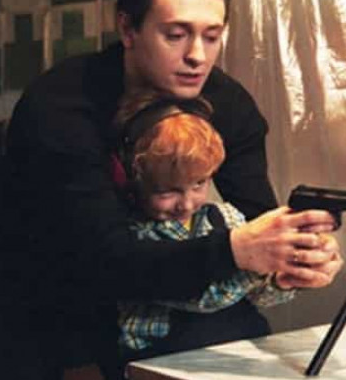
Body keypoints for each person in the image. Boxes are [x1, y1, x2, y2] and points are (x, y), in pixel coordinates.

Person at [0, 0, 343, 380]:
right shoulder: (61, 107)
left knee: (242, 337)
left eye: (212, 36)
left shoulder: (229, 105)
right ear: (128, 29)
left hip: (147, 279)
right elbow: (103, 259)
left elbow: (258, 218)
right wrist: (237, 249)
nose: (197, 56)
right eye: (176, 35)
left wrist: (293, 257)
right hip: (38, 283)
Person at [114, 93, 306, 365]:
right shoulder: (135, 237)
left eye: (198, 184)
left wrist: (282, 279)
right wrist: (252, 266)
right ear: (135, 180)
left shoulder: (226, 217)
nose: (186, 203)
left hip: (235, 349)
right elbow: (202, 298)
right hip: (163, 359)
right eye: (167, 191)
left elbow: (258, 296)